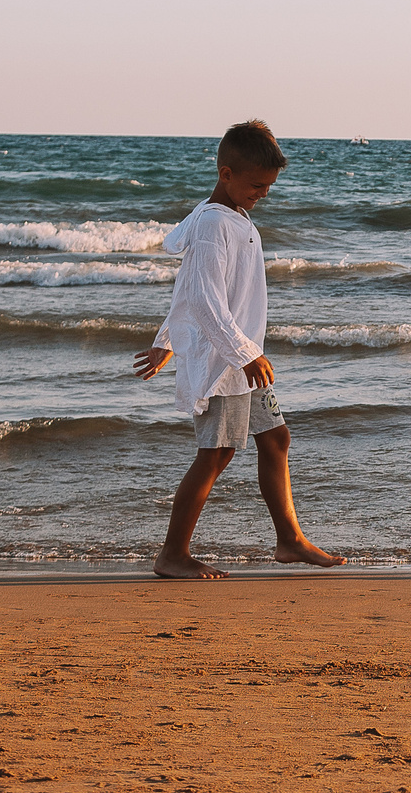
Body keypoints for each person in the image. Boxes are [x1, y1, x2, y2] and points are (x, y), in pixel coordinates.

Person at [132, 119, 344, 580]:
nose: (263, 194)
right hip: (225, 361)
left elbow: (191, 288)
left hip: (243, 358)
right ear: (226, 174)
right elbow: (202, 296)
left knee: (276, 439)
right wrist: (241, 352)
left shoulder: (234, 216)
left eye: (269, 186)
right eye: (256, 185)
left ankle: (289, 540)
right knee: (217, 453)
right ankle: (173, 553)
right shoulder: (212, 224)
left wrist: (166, 340)